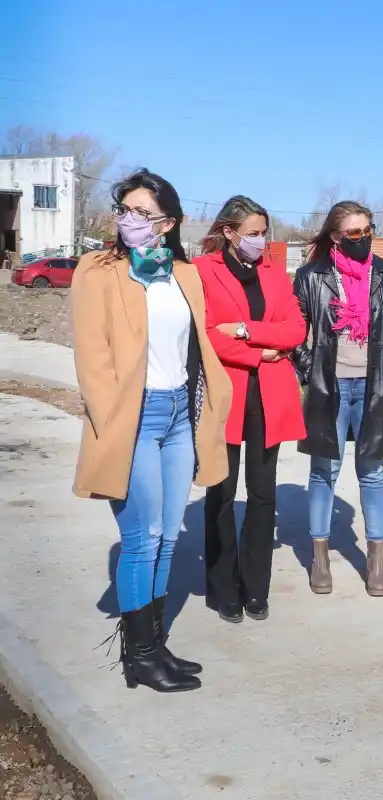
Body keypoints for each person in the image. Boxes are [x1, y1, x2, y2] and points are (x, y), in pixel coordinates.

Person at [71, 169, 232, 692]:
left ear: (167, 223)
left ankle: (154, 645)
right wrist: (112, 415)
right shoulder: (97, 270)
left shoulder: (182, 274)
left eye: (143, 213)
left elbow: (195, 348)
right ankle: (138, 656)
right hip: (133, 418)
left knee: (167, 541)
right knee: (142, 539)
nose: (129, 221)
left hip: (179, 415)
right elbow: (92, 357)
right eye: (125, 210)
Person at [292, 201, 383, 597]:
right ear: (336, 236)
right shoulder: (312, 276)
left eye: (368, 230)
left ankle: (376, 557)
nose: (364, 239)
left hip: (372, 388)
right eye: (354, 233)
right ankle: (320, 554)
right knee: (324, 472)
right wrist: (311, 368)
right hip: (330, 387)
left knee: (373, 473)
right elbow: (295, 331)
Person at [195, 196, 306, 624]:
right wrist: (261, 353)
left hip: (270, 399)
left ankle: (255, 588)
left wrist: (245, 330)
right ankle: (222, 588)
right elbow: (206, 334)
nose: (261, 241)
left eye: (265, 233)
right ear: (229, 232)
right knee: (221, 494)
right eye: (253, 233)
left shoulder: (276, 276)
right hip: (228, 394)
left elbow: (295, 330)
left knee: (263, 496)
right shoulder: (204, 272)